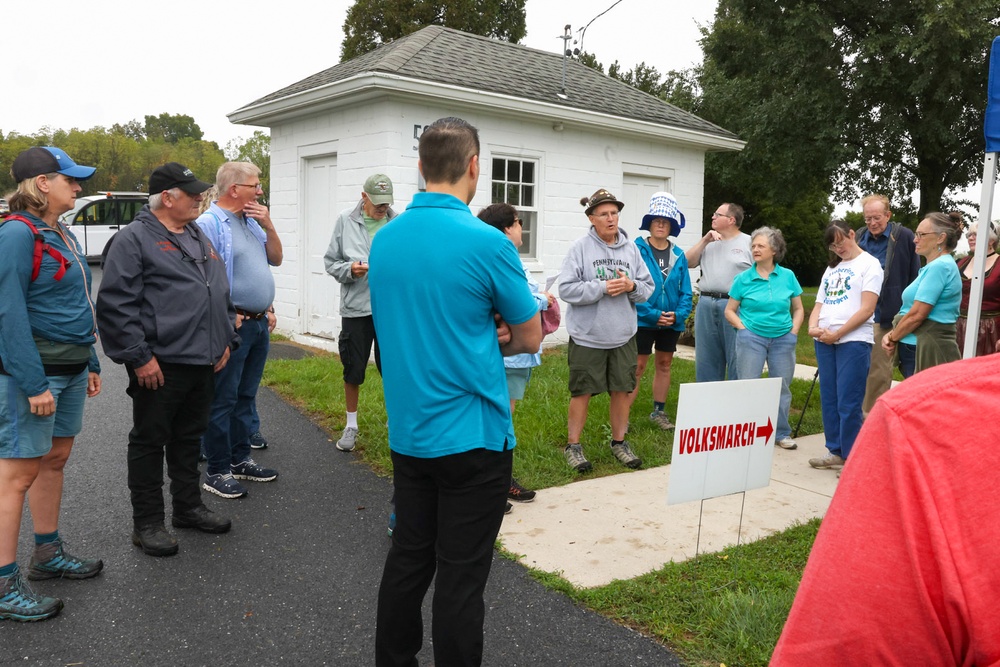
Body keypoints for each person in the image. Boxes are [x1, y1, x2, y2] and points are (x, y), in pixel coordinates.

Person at [368, 117, 541, 666]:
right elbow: (531, 333)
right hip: (475, 436)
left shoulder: (385, 239)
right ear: (474, 166)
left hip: (410, 432)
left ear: (420, 167)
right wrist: (498, 336)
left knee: (408, 560)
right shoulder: (488, 243)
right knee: (461, 579)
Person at [771, 354, 1000, 665]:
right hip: (839, 340)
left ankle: (846, 450)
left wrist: (895, 333)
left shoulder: (921, 417)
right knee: (836, 397)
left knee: (849, 401)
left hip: (866, 342)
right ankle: (837, 449)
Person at [97, 162, 237, 557]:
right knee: (149, 440)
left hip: (204, 360)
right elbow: (115, 306)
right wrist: (139, 358)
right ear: (168, 197)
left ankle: (188, 508)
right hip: (159, 364)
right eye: (191, 192)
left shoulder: (196, 234)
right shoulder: (134, 240)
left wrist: (226, 339)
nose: (199, 197)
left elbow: (220, 290)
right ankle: (147, 524)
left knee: (189, 439)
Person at [0, 147, 103, 622]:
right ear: (43, 183)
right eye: (71, 180)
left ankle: (47, 556)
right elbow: (8, 314)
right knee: (15, 477)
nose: (78, 188)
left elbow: (77, 299)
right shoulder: (17, 234)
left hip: (71, 369)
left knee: (55, 460)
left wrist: (91, 359)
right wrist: (32, 381)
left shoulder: (58, 231)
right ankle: (3, 587)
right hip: (34, 378)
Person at [196, 162, 282, 499]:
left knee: (245, 396)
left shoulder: (251, 222)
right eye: (255, 185)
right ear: (235, 190)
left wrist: (269, 224)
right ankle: (217, 469)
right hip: (233, 324)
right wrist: (226, 313)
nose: (260, 191)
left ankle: (241, 458)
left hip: (258, 323)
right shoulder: (210, 224)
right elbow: (203, 278)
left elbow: (274, 259)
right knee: (223, 399)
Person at [558, 189, 654, 473]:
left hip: (623, 335)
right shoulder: (580, 248)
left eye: (614, 213)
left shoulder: (631, 249)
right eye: (604, 214)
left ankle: (619, 442)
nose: (611, 219)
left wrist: (631, 286)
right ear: (592, 218)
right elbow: (566, 289)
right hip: (588, 336)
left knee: (623, 390)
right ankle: (573, 446)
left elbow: (647, 288)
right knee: (582, 391)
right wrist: (601, 288)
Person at [477, 202, 554, 505]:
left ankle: (500, 481)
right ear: (507, 228)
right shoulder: (500, 260)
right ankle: (494, 486)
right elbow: (518, 302)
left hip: (520, 355)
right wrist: (543, 300)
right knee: (500, 421)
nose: (522, 227)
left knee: (504, 420)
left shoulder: (511, 260)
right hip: (508, 355)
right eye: (519, 222)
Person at [324, 174, 397, 452]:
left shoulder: (397, 222)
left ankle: (396, 422)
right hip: (356, 308)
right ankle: (351, 426)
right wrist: (350, 270)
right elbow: (331, 262)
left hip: (390, 309)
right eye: (377, 203)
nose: (382, 208)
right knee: (353, 368)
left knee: (392, 367)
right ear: (363, 196)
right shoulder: (346, 220)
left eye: (386, 203)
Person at [806, 220, 883, 471]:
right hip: (825, 340)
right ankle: (835, 450)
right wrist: (812, 327)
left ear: (852, 234)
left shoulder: (870, 264)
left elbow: (867, 308)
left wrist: (838, 333)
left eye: (841, 242)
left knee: (848, 401)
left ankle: (853, 458)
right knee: (829, 397)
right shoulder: (832, 268)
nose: (838, 249)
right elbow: (819, 303)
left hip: (853, 340)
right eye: (832, 246)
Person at [724, 226, 803, 450]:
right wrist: (743, 330)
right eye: (753, 246)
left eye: (761, 246)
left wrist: (793, 332)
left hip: (783, 340)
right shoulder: (743, 278)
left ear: (775, 250)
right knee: (749, 385)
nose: (755, 249)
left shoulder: (788, 276)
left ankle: (781, 433)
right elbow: (730, 310)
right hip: (752, 339)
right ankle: (746, 433)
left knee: (782, 387)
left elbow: (798, 308)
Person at [627, 192, 692, 431]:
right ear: (650, 223)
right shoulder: (636, 249)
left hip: (671, 322)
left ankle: (659, 411)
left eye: (666, 221)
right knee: (638, 365)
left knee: (664, 363)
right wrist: (653, 314)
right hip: (643, 320)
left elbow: (686, 290)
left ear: (672, 226)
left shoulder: (679, 255)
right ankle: (622, 414)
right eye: (657, 220)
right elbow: (631, 288)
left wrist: (679, 315)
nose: (661, 224)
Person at [856, 194, 920, 415]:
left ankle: (870, 419)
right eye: (868, 218)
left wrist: (907, 311)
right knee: (857, 370)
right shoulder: (859, 237)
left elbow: (914, 276)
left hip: (885, 316)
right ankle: (856, 417)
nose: (872, 223)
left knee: (878, 372)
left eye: (877, 218)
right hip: (857, 315)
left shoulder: (903, 237)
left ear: (888, 215)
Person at [880, 211, 962, 373]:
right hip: (916, 346)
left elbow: (917, 314)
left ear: (940, 237)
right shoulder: (934, 266)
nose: (915, 239)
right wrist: (894, 334)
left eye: (921, 234)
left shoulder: (940, 266)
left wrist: (892, 337)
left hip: (924, 349)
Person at [685, 202, 752, 382]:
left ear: (731, 220)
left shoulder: (750, 243)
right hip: (706, 304)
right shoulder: (709, 242)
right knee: (706, 360)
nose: (712, 217)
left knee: (737, 358)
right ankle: (709, 407)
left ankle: (737, 405)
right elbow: (687, 263)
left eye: (717, 214)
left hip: (736, 306)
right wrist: (705, 240)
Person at [956, 220, 1000, 356]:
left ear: (991, 240)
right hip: (958, 327)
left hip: (990, 330)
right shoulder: (962, 262)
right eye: (969, 234)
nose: (970, 238)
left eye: (976, 234)